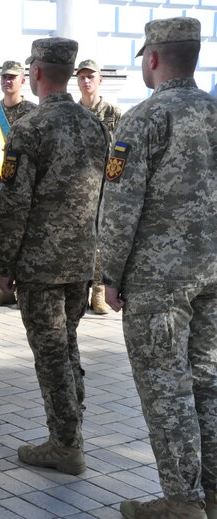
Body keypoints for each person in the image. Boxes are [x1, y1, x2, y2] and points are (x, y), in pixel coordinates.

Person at [100, 17, 217, 519]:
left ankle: (180, 500)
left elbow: (120, 208)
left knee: (166, 386)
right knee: (209, 382)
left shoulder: (144, 120)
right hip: (212, 272)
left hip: (158, 281)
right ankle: (211, 493)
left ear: (152, 58)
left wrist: (110, 274)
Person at [0, 37, 109, 476]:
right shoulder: (95, 125)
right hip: (81, 261)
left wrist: (5, 264)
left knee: (51, 354)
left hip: (41, 266)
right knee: (68, 347)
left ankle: (64, 444)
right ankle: (71, 432)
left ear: (37, 73)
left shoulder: (29, 128)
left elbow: (15, 203)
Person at [75, 59, 123, 316]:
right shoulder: (73, 114)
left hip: (107, 186)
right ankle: (80, 290)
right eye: (82, 77)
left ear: (100, 80)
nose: (86, 81)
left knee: (102, 241)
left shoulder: (114, 114)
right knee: (80, 239)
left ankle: (99, 292)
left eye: (91, 76)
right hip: (79, 189)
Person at [0, 60, 37, 307]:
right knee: (0, 237)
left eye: (13, 77)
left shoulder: (32, 112)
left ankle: (25, 287)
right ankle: (4, 287)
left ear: (22, 81)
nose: (8, 81)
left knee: (26, 238)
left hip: (25, 186)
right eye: (5, 77)